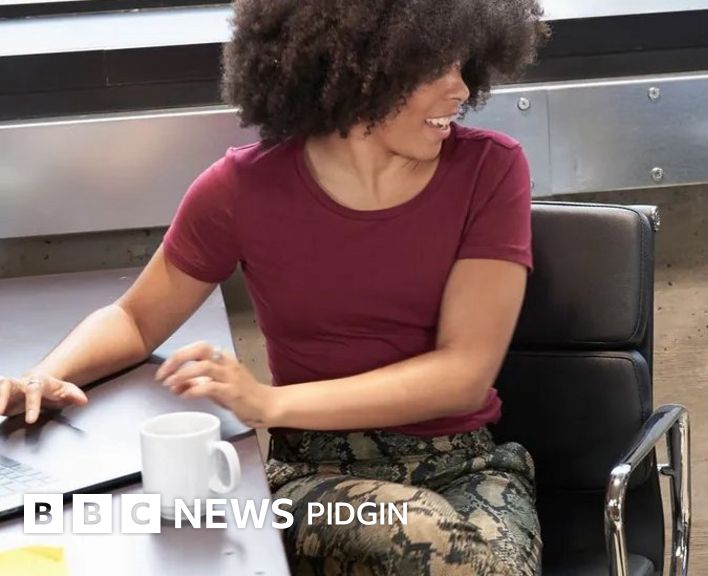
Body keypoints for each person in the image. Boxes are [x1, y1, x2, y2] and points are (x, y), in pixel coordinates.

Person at [0, 0, 548, 574]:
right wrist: (45, 375)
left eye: (463, 64)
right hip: (316, 475)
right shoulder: (241, 189)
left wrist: (267, 402)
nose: (461, 89)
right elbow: (135, 320)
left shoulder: (491, 169)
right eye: (436, 66)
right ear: (360, 66)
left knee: (481, 562)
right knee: (439, 547)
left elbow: (463, 376)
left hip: (465, 467)